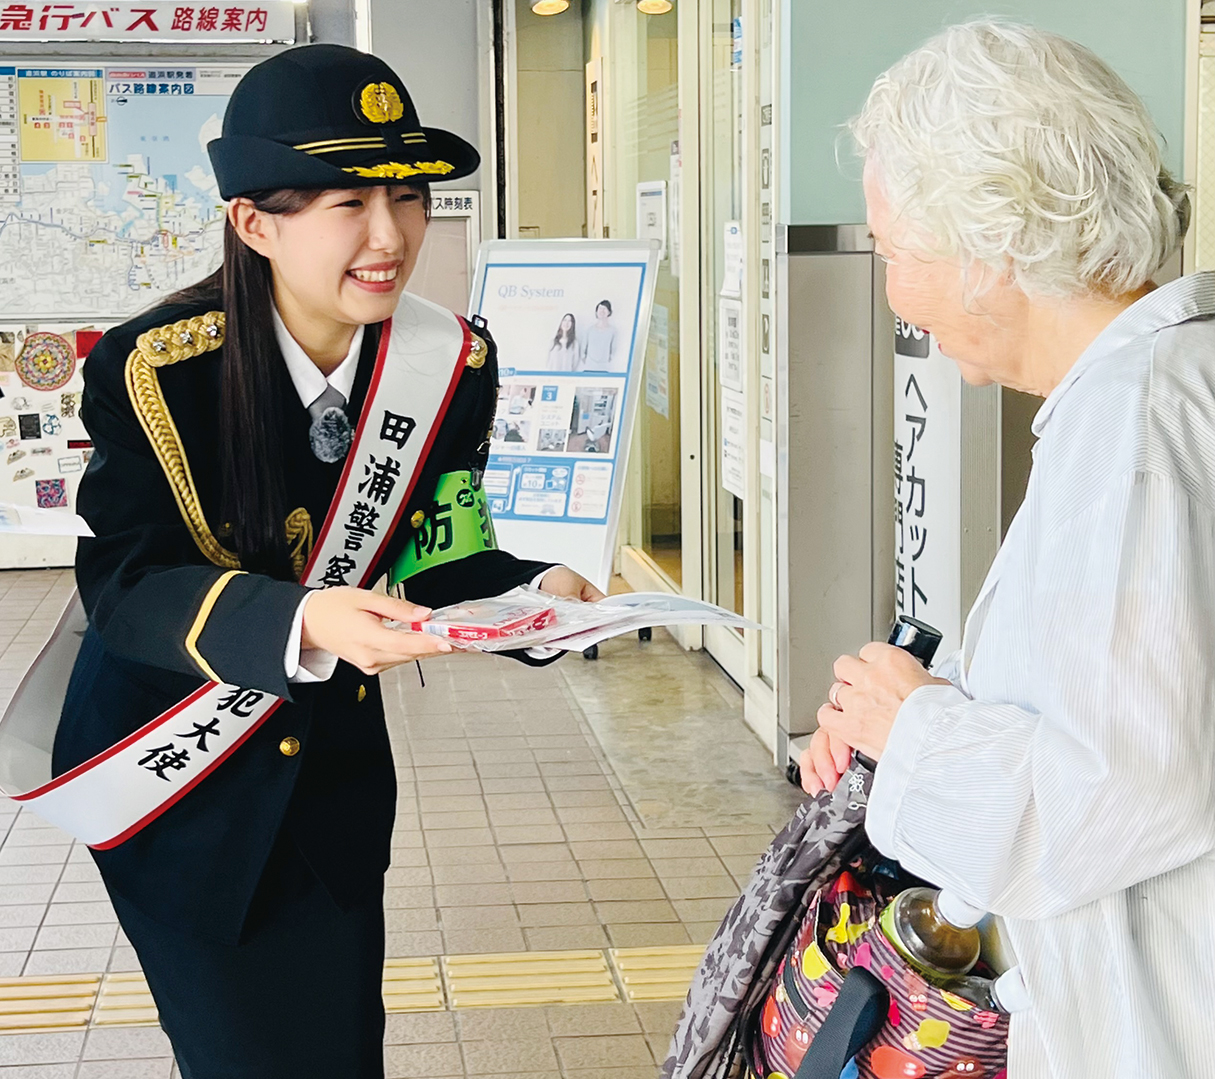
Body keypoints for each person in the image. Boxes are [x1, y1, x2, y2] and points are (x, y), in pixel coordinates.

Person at [53, 44, 601, 1079]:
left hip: (331, 793)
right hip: (179, 781)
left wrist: (533, 596)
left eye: (408, 197)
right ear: (254, 222)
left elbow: (448, 548)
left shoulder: (451, 362)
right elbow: (123, 587)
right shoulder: (156, 368)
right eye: (348, 202)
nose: (390, 236)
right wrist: (302, 622)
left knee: (342, 1047)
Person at [800, 21, 1213, 1079]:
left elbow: (1126, 786)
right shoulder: (1167, 386)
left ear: (996, 248)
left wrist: (914, 725)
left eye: (899, 253)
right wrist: (932, 713)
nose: (893, 291)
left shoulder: (1134, 433)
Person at [579, 299, 618, 371]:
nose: (602, 311)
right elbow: (583, 349)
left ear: (609, 312)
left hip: (604, 368)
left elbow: (613, 349)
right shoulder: (589, 330)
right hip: (589, 368)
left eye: (604, 309)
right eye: (600, 309)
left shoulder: (613, 331)